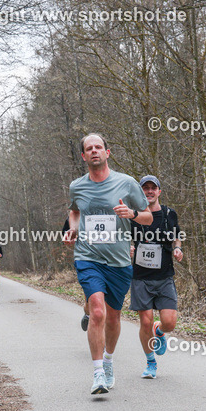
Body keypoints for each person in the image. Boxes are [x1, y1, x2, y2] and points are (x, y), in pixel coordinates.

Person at [63, 133, 152, 394]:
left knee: (113, 317)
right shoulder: (76, 186)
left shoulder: (127, 183)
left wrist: (132, 214)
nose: (94, 151)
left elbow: (147, 216)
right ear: (83, 156)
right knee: (98, 311)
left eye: (98, 147)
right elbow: (75, 210)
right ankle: (98, 373)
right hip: (88, 257)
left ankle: (109, 359)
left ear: (107, 152)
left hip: (119, 261)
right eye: (89, 149)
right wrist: (74, 229)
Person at [129, 175, 183, 378]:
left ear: (159, 191)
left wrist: (178, 249)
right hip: (141, 277)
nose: (149, 191)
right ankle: (150, 362)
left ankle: (159, 331)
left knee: (169, 322)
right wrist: (130, 248)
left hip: (164, 276)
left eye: (153, 188)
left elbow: (177, 236)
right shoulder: (133, 216)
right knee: (144, 321)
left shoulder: (170, 214)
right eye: (145, 188)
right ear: (140, 192)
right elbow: (126, 239)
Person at [63, 216, 90, 330]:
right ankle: (88, 313)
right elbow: (66, 233)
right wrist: (70, 237)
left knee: (107, 307)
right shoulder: (78, 214)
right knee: (93, 303)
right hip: (88, 261)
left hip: (112, 261)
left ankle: (104, 345)